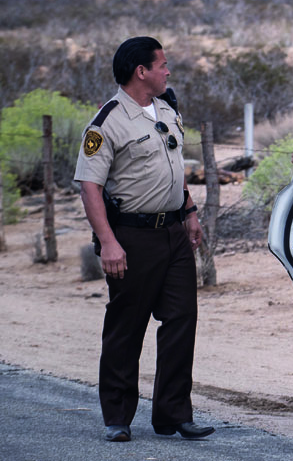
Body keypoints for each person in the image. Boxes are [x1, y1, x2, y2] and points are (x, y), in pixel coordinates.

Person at [73, 37, 214, 443]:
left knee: (181, 320)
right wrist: (109, 242)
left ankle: (173, 415)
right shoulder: (107, 122)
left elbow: (174, 165)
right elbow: (90, 187)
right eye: (163, 65)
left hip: (173, 233)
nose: (168, 71)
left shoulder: (167, 109)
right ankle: (117, 417)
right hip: (131, 239)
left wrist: (188, 212)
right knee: (126, 326)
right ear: (141, 71)